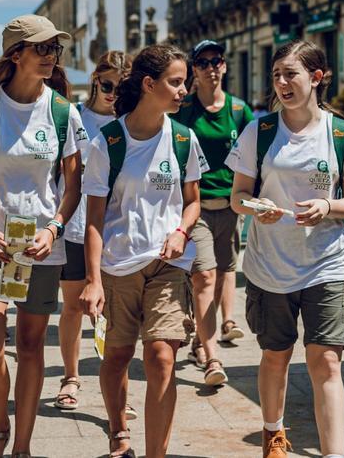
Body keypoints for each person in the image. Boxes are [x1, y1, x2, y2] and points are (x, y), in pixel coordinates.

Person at [0, 15, 85, 458]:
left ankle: (22, 447)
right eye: (41, 49)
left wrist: (54, 229)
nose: (50, 57)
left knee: (30, 345)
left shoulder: (63, 111)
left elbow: (72, 186)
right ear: (16, 55)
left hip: (40, 244)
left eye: (54, 50)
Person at [226, 40, 344, 458]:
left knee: (326, 361)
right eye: (277, 76)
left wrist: (328, 204)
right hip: (270, 263)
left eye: (292, 74)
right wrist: (258, 208)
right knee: (276, 354)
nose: (283, 83)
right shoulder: (260, 131)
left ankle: (333, 454)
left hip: (328, 261)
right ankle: (273, 434)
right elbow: (238, 196)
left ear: (316, 78)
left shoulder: (342, 133)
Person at [80, 44, 206, 458]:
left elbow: (192, 201)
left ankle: (157, 453)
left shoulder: (184, 138)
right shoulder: (108, 142)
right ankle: (119, 433)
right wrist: (93, 280)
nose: (184, 89)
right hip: (118, 265)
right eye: (175, 82)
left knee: (161, 358)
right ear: (149, 85)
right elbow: (94, 219)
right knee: (116, 357)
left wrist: (181, 231)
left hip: (167, 264)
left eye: (184, 81)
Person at [53, 50, 131, 413]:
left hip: (115, 231)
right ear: (95, 81)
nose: (112, 92)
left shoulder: (132, 125)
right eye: (106, 84)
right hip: (75, 227)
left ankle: (115, 388)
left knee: (114, 314)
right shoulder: (75, 119)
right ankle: (70, 377)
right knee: (71, 308)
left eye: (120, 86)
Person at [176, 39, 254, 387]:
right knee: (205, 277)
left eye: (216, 61)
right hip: (197, 208)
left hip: (231, 207)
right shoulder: (184, 110)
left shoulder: (239, 110)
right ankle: (212, 358)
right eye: (203, 62)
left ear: (224, 66)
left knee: (224, 271)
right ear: (194, 69)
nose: (210, 68)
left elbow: (255, 151)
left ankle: (200, 339)